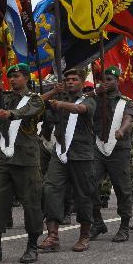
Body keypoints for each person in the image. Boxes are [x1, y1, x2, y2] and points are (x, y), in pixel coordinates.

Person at [0, 63, 45, 264]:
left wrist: (11, 114)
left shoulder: (35, 99)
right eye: (11, 76)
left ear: (27, 78)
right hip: (2, 157)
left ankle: (32, 246)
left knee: (30, 203)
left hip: (25, 158)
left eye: (18, 76)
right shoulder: (4, 97)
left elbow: (31, 111)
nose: (13, 80)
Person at [40, 67, 97, 253]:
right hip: (60, 153)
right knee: (50, 189)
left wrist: (61, 104)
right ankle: (53, 235)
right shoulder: (58, 99)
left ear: (82, 82)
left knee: (83, 195)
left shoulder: (89, 100)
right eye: (67, 80)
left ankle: (84, 235)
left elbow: (80, 109)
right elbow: (37, 102)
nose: (70, 82)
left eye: (74, 79)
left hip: (81, 155)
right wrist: (54, 92)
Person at [90, 66, 133, 242]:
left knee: (123, 189)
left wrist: (122, 130)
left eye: (109, 79)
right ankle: (98, 222)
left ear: (117, 81)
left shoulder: (126, 101)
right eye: (104, 79)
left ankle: (124, 227)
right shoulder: (95, 98)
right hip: (98, 149)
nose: (106, 82)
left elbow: (128, 118)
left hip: (119, 149)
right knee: (88, 185)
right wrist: (95, 92)